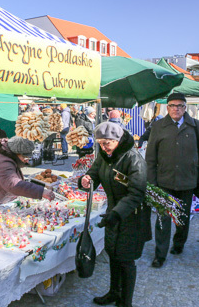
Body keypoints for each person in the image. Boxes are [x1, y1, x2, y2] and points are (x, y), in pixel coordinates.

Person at [79, 122, 151, 307]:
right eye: (100, 143)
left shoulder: (133, 158)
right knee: (113, 253)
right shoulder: (104, 156)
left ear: (118, 140)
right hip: (113, 212)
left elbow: (136, 193)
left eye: (107, 143)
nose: (103, 147)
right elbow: (93, 174)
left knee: (126, 259)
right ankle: (114, 292)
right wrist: (85, 180)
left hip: (131, 215)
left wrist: (117, 214)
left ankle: (125, 302)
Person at [145, 92, 199, 268]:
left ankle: (179, 243)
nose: (176, 109)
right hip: (164, 180)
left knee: (182, 217)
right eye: (173, 106)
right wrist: (151, 183)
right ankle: (160, 254)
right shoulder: (159, 126)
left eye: (180, 106)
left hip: (188, 181)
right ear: (167, 108)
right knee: (162, 219)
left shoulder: (196, 126)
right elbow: (150, 157)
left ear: (185, 107)